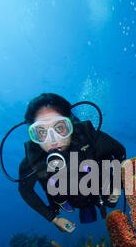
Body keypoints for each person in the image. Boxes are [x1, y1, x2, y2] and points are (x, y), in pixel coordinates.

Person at [18, 93, 126, 233]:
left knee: (111, 201)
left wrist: (117, 184)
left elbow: (120, 153)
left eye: (59, 128)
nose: (53, 140)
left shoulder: (91, 139)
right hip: (67, 202)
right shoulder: (33, 160)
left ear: (71, 124)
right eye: (41, 131)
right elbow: (25, 190)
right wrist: (53, 219)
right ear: (34, 136)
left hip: (101, 190)